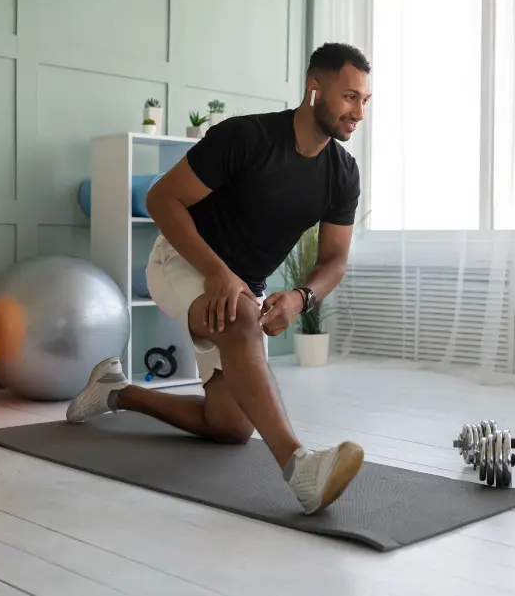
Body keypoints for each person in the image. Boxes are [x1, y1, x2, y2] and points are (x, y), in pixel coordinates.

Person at [64, 42, 372, 515]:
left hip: (244, 287)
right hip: (184, 262)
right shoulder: (246, 138)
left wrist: (299, 297)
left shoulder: (341, 173)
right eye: (350, 97)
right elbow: (162, 200)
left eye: (365, 102)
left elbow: (334, 259)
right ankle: (300, 468)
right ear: (315, 88)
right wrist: (217, 274)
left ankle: (116, 392)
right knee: (242, 318)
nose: (358, 113)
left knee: (229, 427)